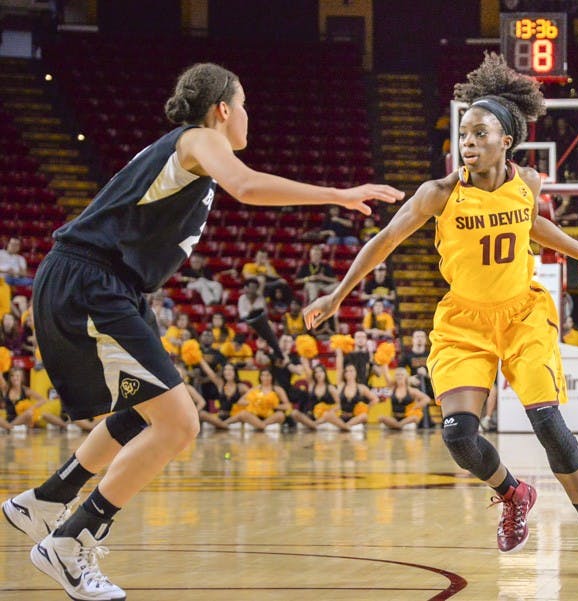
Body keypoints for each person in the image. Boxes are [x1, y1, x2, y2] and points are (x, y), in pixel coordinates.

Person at [0, 62, 402, 601]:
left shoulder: (183, 151)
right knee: (179, 425)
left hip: (106, 283)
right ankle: (70, 542)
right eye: (244, 104)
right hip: (92, 282)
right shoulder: (198, 140)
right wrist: (335, 192)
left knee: (148, 411)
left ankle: (46, 501)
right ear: (222, 109)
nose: (248, 115)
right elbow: (247, 186)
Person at [304, 53, 578, 572]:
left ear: (506, 140)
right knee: (458, 435)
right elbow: (385, 241)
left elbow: (532, 227)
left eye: (480, 134)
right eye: (464, 134)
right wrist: (338, 295)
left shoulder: (527, 182)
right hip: (463, 322)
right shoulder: (438, 194)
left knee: (547, 422)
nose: (469, 142)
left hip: (523, 313)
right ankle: (513, 493)